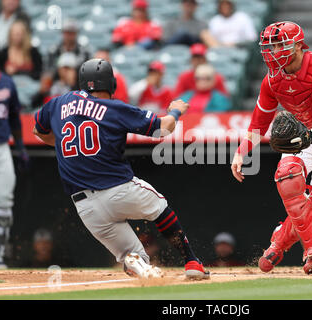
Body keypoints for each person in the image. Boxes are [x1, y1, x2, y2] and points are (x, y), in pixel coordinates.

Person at [33, 58, 210, 280]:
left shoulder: (57, 103)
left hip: (86, 208)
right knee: (159, 206)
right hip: (119, 189)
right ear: (110, 84)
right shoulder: (113, 107)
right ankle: (192, 261)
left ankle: (137, 263)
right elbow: (164, 129)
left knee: (134, 257)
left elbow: (38, 130)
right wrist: (175, 111)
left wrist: (60, 142)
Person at [231, 21, 312, 275]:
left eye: (279, 45)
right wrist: (241, 151)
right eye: (270, 46)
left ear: (298, 46)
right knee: (287, 176)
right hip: (302, 133)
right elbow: (259, 122)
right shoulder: (271, 80)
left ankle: (279, 241)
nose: (273, 51)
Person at [0, 35, 29, 269]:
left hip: (0, 147)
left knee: (3, 205)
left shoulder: (6, 82)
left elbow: (14, 118)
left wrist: (20, 148)